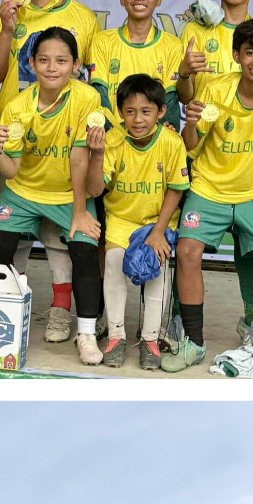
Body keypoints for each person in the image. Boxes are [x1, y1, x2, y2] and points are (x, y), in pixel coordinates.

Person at [163, 19, 253, 376]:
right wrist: (190, 123)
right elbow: (190, 146)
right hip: (208, 188)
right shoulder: (214, 89)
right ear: (236, 54)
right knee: (188, 250)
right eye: (251, 51)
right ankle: (193, 342)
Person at [0, 27, 108, 365]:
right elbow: (10, 171)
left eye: (61, 61)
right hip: (23, 191)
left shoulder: (86, 99)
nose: (52, 68)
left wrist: (81, 212)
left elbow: (79, 157)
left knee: (84, 249)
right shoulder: (16, 106)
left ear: (75, 64)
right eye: (44, 60)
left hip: (71, 193)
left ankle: (84, 331)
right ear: (31, 63)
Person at [177, 0, 253, 347]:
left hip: (249, 161)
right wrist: (183, 73)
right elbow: (184, 96)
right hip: (204, 152)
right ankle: (181, 317)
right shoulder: (198, 27)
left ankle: (252, 316)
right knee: (188, 246)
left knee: (249, 246)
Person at [83, 75, 186, 370]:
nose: (138, 119)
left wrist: (157, 233)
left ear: (161, 112)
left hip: (159, 221)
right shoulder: (113, 140)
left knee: (156, 267)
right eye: (130, 111)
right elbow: (94, 190)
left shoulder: (171, 142)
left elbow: (176, 188)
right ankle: (116, 336)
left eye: (146, 111)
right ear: (120, 113)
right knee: (114, 262)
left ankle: (151, 339)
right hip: (122, 219)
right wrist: (98, 154)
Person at [83, 0, 184, 132]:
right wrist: (112, 133)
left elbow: (170, 97)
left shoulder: (172, 45)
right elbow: (99, 94)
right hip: (113, 140)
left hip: (152, 142)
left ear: (158, 0)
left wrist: (168, 127)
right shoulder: (102, 41)